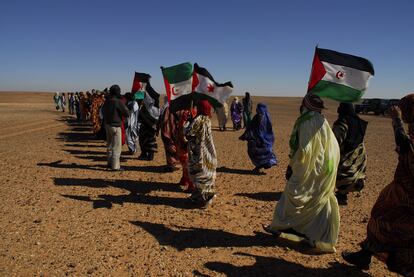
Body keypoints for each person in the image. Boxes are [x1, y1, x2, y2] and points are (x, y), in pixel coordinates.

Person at [342, 94, 414, 276]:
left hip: (407, 196)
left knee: (394, 227)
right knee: (381, 217)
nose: (400, 111)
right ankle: (365, 254)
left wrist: (396, 121)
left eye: (403, 109)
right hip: (401, 190)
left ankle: (401, 265)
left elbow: (407, 149)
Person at [263, 93, 340, 253]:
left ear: (305, 106)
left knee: (294, 194)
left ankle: (284, 227)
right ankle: (302, 232)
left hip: (310, 168)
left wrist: (292, 166)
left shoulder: (307, 121)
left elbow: (304, 150)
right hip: (325, 168)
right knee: (317, 200)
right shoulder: (322, 120)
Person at [332, 103, 368, 205]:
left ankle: (341, 194)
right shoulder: (359, 122)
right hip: (357, 154)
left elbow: (335, 142)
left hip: (346, 154)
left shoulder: (342, 123)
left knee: (339, 170)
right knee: (353, 170)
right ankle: (347, 190)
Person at [186, 99, 217, 208]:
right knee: (207, 172)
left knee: (199, 174)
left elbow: (188, 133)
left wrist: (190, 121)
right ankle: (202, 196)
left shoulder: (198, 119)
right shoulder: (208, 119)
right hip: (208, 151)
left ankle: (203, 199)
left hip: (198, 152)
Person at [239, 103, 278, 173]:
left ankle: (263, 165)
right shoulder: (264, 116)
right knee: (259, 152)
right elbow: (252, 127)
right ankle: (261, 166)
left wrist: (246, 135)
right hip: (262, 140)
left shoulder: (261, 117)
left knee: (259, 152)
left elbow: (254, 128)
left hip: (260, 140)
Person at [101, 85, 130, 171]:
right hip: (116, 126)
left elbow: (102, 112)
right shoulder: (118, 102)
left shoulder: (107, 101)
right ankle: (115, 166)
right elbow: (126, 113)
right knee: (116, 146)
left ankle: (109, 163)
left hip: (107, 125)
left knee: (109, 145)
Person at [138, 88, 160, 161]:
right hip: (146, 127)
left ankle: (150, 155)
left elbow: (156, 116)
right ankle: (144, 154)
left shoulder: (151, 107)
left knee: (150, 141)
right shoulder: (145, 107)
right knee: (143, 140)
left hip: (150, 126)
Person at [176, 109, 195, 192]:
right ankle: (184, 179)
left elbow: (184, 127)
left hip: (187, 142)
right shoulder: (188, 112)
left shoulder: (190, 113)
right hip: (184, 141)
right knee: (185, 162)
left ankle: (191, 184)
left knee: (187, 163)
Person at [159, 96, 180, 171]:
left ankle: (171, 165)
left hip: (169, 131)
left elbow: (165, 121)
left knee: (170, 147)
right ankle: (174, 163)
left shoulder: (167, 108)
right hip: (175, 131)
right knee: (174, 146)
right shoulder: (177, 107)